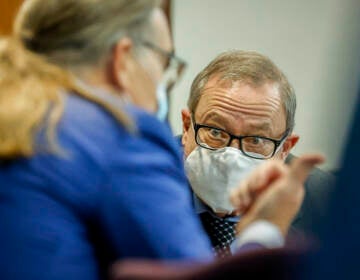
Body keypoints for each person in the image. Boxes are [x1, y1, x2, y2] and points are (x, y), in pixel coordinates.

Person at [0, 1, 323, 279]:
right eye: (164, 62)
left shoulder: (22, 115)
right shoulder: (120, 139)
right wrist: (263, 230)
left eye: (256, 138)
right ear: (122, 59)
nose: (162, 81)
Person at [180, 50, 335, 257]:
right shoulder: (145, 180)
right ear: (187, 126)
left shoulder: (328, 203)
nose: (231, 156)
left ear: (285, 149)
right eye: (216, 132)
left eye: (256, 140)